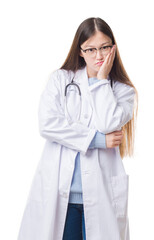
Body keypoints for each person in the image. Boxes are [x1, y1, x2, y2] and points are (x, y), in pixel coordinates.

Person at [17, 17, 137, 240]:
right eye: (90, 49)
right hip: (62, 196)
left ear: (113, 47)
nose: (98, 56)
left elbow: (108, 123)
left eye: (104, 48)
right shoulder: (60, 80)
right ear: (80, 51)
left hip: (102, 195)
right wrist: (99, 141)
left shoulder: (123, 91)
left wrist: (101, 82)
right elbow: (48, 124)